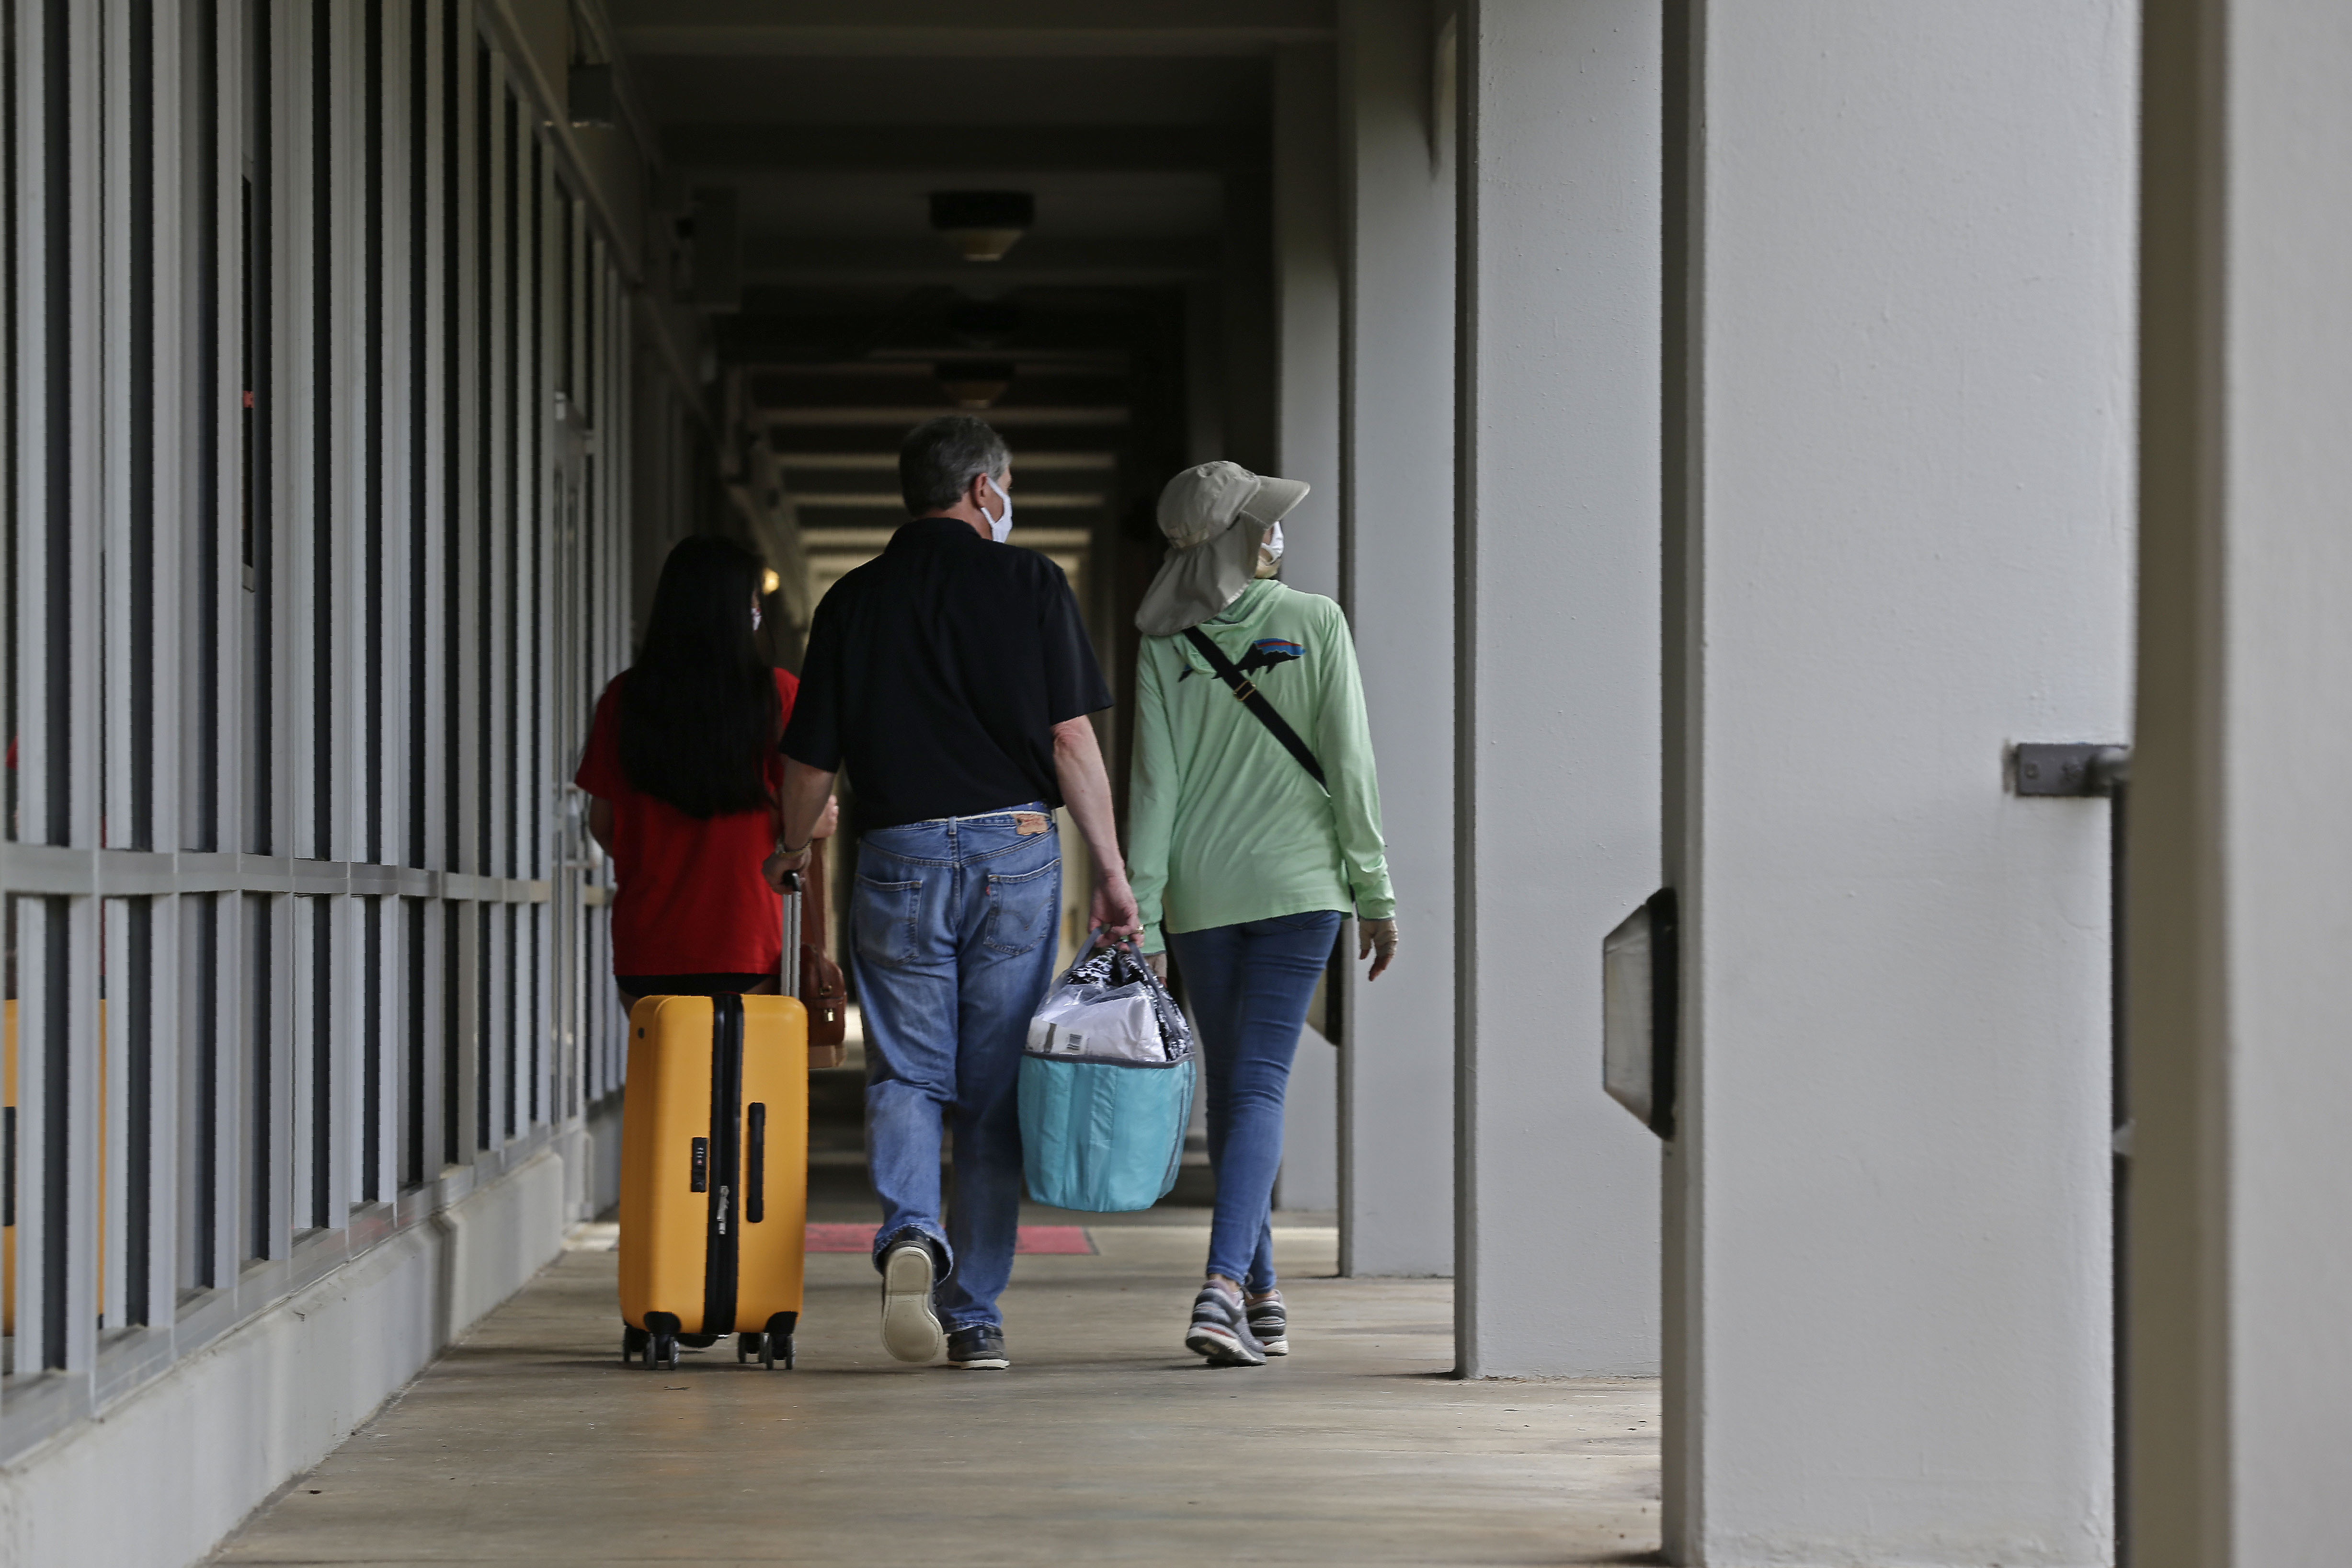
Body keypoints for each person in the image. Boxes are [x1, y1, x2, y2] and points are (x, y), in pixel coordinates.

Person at [767, 414, 1138, 1373]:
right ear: (983, 488)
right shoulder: (1031, 583)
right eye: (1007, 482)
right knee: (989, 1088)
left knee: (906, 1070)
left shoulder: (853, 600)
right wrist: (1111, 868)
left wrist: (791, 852)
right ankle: (973, 1313)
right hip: (1015, 846)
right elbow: (1070, 743)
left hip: (896, 854)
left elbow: (809, 765)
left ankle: (910, 1234)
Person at [1125, 461, 1400, 1367]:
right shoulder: (1315, 621)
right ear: (1247, 538)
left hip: (1203, 897)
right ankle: (1220, 1289)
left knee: (1241, 1086)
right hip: (1299, 890)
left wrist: (1150, 910)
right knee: (1259, 1089)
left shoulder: (1163, 640)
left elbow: (1154, 788)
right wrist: (1375, 890)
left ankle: (1265, 1292)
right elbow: (1350, 764)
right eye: (1267, 523)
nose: (1279, 534)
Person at [575, 537, 826, 1009]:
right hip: (745, 935)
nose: (757, 609)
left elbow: (602, 824)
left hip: (646, 941)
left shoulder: (624, 699)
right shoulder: (776, 695)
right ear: (734, 609)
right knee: (740, 1081)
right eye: (754, 598)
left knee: (664, 1080)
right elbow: (801, 813)